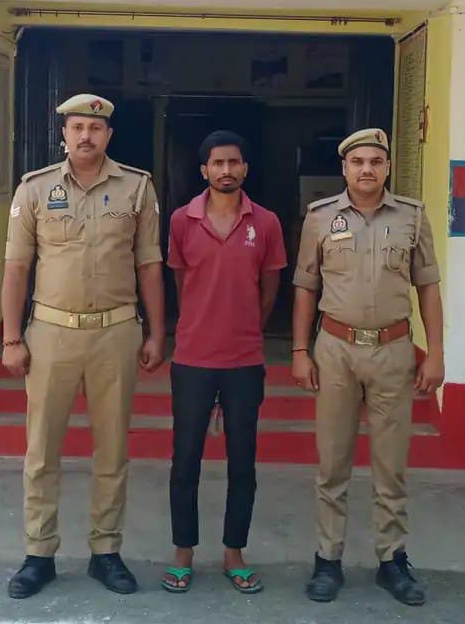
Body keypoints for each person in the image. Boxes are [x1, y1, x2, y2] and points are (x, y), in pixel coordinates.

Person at [1, 92, 165, 599]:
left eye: (95, 128)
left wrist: (157, 332)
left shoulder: (136, 187)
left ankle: (106, 551)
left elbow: (149, 265)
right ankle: (38, 553)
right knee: (41, 451)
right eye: (77, 127)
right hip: (51, 333)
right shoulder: (34, 189)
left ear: (108, 134)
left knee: (112, 450)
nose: (86, 135)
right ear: (64, 134)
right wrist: (11, 337)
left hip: (116, 331)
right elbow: (17, 267)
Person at [290, 127, 445, 607]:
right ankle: (327, 558)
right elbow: (305, 287)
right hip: (335, 349)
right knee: (332, 462)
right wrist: (299, 350)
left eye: (376, 162)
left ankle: (392, 559)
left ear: (387, 168)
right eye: (358, 162)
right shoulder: (320, 217)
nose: (367, 170)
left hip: (393, 350)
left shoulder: (412, 217)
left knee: (390, 465)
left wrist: (435, 352)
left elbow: (428, 287)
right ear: (344, 168)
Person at [161, 130, 286, 595]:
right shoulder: (181, 220)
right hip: (192, 357)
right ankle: (183, 553)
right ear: (204, 170)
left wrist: (244, 328)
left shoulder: (266, 223)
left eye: (234, 162)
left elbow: (269, 292)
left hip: (244, 360)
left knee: (243, 464)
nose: (226, 170)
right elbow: (181, 284)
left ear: (245, 168)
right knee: (184, 461)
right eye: (218, 163)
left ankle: (234, 552)